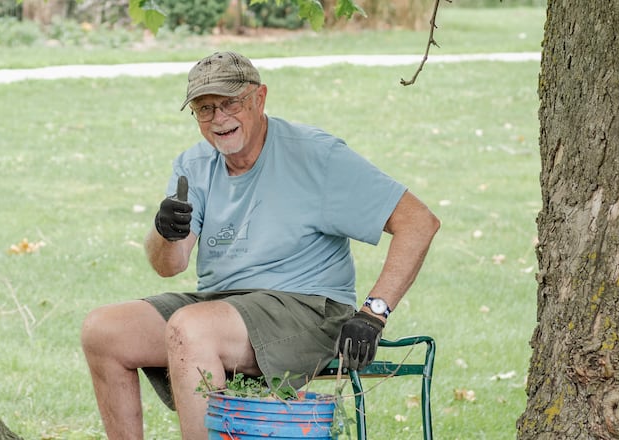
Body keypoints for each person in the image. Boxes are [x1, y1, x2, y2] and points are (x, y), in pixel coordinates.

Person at [81, 51, 440, 439]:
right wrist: (163, 231)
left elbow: (418, 221)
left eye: (230, 103)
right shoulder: (195, 165)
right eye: (205, 109)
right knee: (103, 330)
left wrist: (374, 313)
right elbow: (170, 264)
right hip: (223, 306)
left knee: (192, 329)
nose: (219, 118)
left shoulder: (314, 154)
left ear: (260, 98)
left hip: (308, 307)